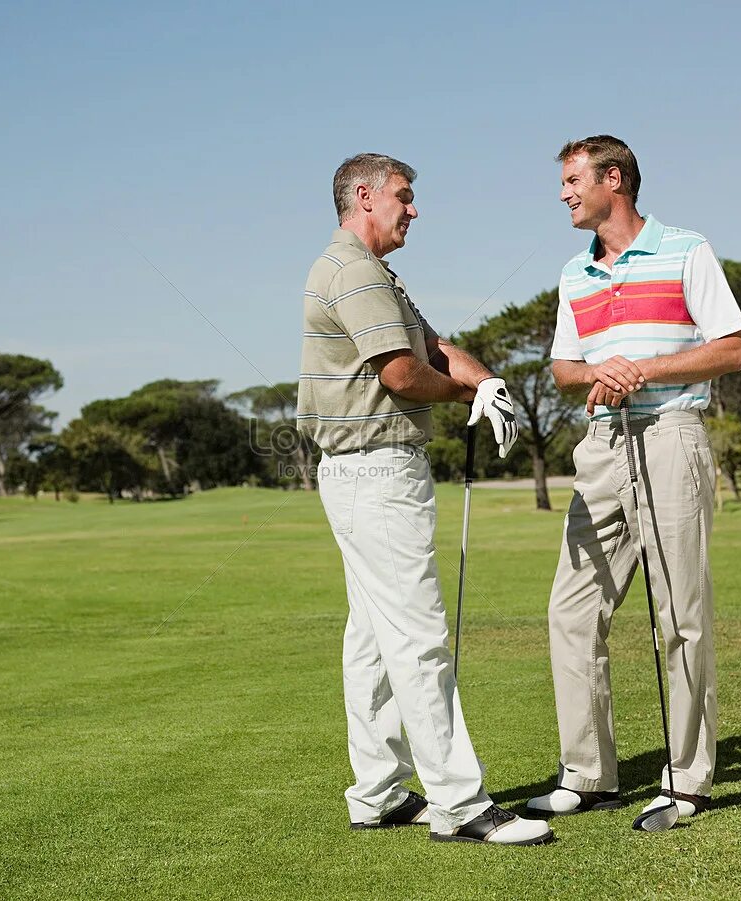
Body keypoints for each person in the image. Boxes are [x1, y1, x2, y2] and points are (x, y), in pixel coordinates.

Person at [297, 152, 549, 846]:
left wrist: (487, 379)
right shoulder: (352, 271)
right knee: (418, 638)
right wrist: (470, 394)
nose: (414, 209)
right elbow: (404, 374)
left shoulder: (376, 274)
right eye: (404, 197)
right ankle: (459, 804)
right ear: (366, 196)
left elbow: (432, 347)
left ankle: (376, 791)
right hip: (376, 472)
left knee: (374, 640)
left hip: (364, 473)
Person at [526, 136, 741, 823]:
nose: (564, 192)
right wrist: (601, 371)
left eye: (572, 179)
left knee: (680, 615)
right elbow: (565, 367)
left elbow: (732, 348)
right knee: (570, 610)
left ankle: (687, 780)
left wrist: (642, 370)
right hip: (600, 447)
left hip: (670, 438)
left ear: (612, 179)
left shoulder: (687, 249)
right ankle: (589, 774)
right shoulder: (575, 273)